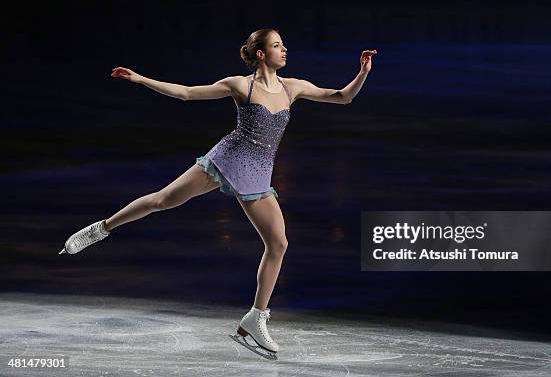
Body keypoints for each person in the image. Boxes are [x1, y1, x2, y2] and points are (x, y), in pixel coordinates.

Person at [59, 28, 376, 360]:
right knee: (162, 200)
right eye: (277, 45)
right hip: (226, 159)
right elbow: (185, 93)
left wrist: (362, 73)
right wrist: (141, 79)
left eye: (283, 45)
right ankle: (102, 228)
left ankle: (256, 317)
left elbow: (343, 97)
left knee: (278, 243)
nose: (285, 50)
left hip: (257, 172)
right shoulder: (240, 85)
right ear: (260, 54)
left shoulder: (293, 87)